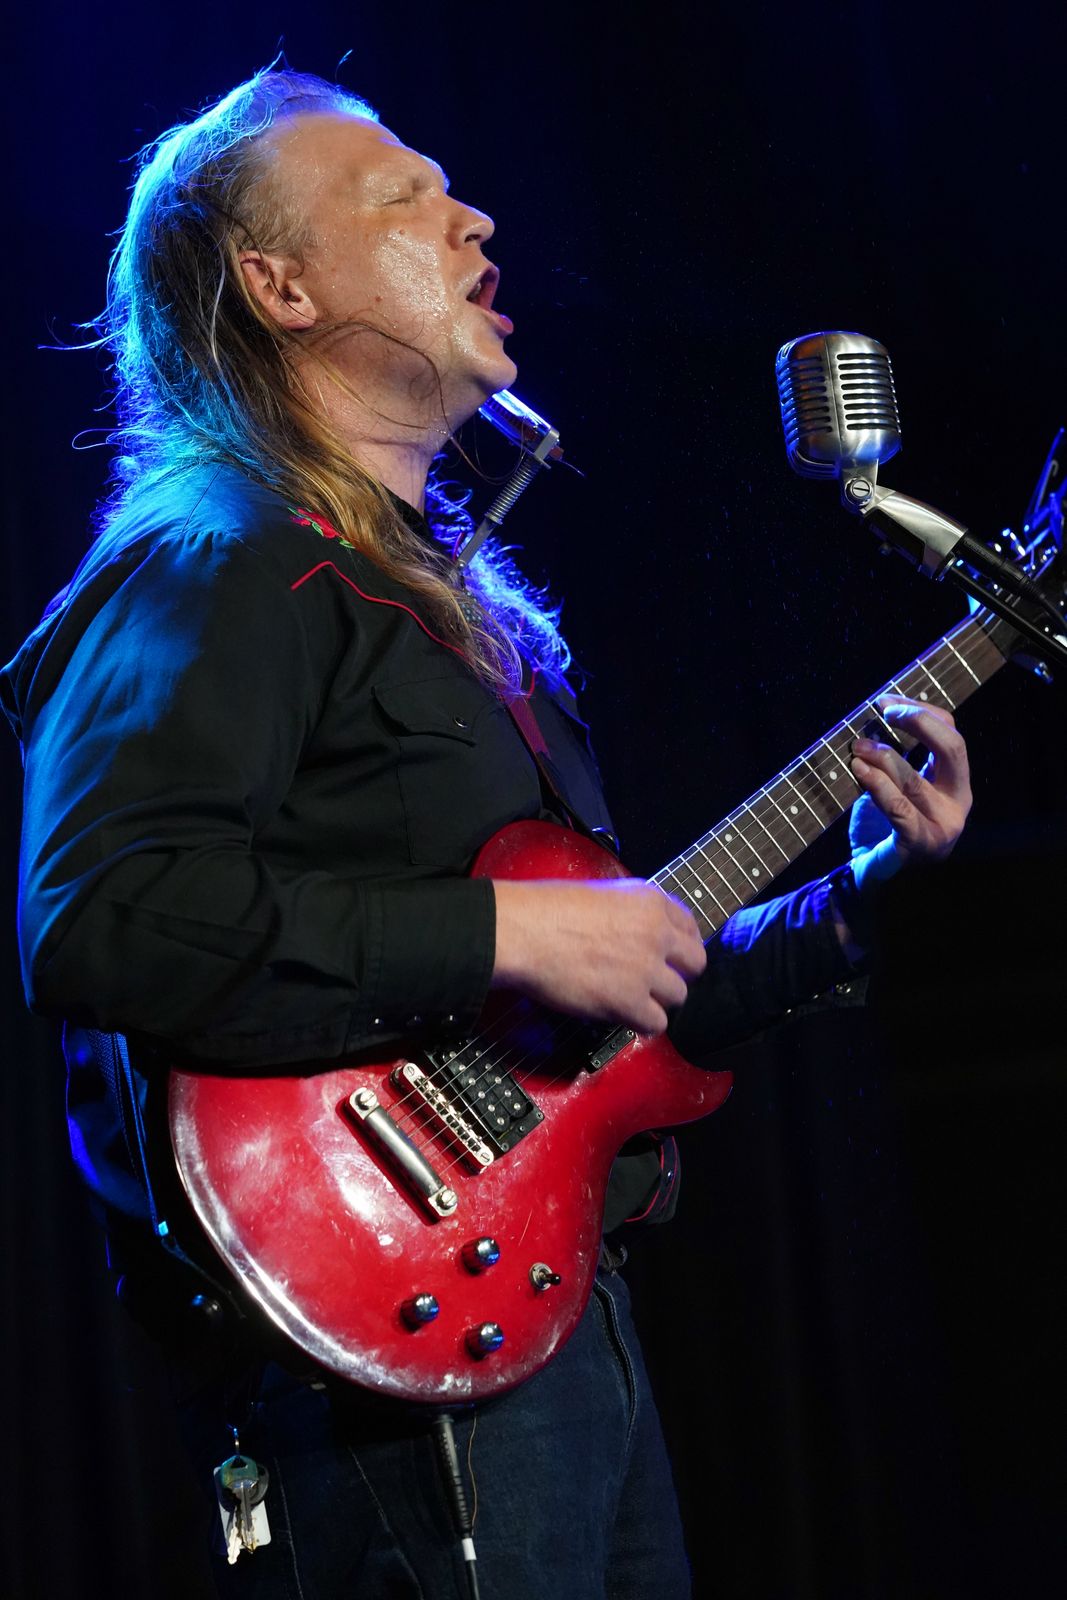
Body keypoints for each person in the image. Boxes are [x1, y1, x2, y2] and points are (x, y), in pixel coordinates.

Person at [1, 69, 971, 1598]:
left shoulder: (454, 616)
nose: (475, 220)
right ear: (280, 287)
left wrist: (850, 893)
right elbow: (104, 917)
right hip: (371, 1357)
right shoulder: (216, 555)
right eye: (404, 195)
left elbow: (598, 1023)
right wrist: (511, 929)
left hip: (544, 1321)